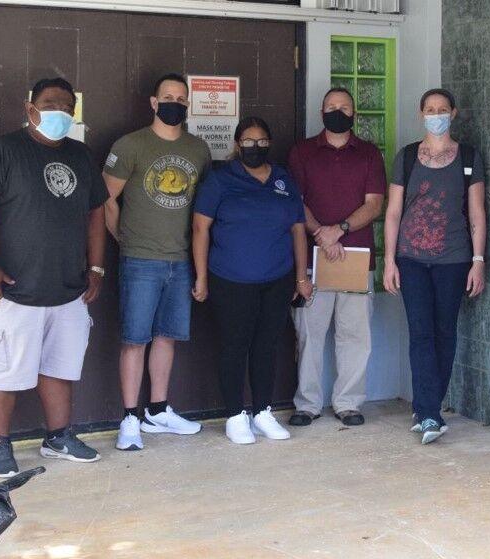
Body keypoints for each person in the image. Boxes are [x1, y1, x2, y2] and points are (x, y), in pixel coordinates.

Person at [0, 77, 108, 475]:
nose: (59, 112)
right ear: (31, 110)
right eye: (50, 104)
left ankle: (58, 436)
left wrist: (95, 267)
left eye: (66, 106)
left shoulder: (81, 155)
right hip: (14, 290)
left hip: (68, 290)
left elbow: (97, 212)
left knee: (60, 368)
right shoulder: (2, 151)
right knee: (4, 371)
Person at [103, 73, 212, 451]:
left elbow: (203, 211)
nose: (175, 103)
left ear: (188, 104)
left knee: (167, 337)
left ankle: (158, 410)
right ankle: (130, 418)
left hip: (180, 261)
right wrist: (124, 239)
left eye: (181, 98)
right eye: (168, 97)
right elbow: (106, 198)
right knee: (135, 339)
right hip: (140, 260)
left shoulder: (198, 150)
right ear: (153, 102)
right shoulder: (131, 145)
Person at [191, 117, 312, 444]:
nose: (254, 147)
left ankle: (262, 411)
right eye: (248, 141)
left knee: (266, 346)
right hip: (230, 279)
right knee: (234, 347)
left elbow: (298, 229)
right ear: (236, 144)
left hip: (277, 278)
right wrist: (201, 276)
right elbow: (201, 228)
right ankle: (234, 415)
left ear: (269, 144)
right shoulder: (220, 180)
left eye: (261, 142)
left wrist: (302, 276)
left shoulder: (284, 180)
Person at [382, 88, 486, 445]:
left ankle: (428, 407)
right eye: (430, 109)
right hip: (411, 259)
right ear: (421, 114)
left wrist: (478, 261)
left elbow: (476, 213)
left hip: (454, 259)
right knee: (421, 334)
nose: (436, 114)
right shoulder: (408, 156)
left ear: (453, 113)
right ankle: (428, 413)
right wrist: (389, 260)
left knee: (445, 333)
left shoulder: (469, 157)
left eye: (442, 109)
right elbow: (393, 212)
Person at [286, 87, 386, 428]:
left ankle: (348, 403)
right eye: (331, 106)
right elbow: (295, 201)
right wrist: (321, 234)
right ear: (321, 112)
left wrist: (338, 230)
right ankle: (307, 404)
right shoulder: (302, 153)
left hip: (356, 259)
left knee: (355, 336)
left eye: (344, 107)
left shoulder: (370, 154)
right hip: (314, 259)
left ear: (354, 114)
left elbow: (375, 204)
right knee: (309, 334)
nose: (337, 111)